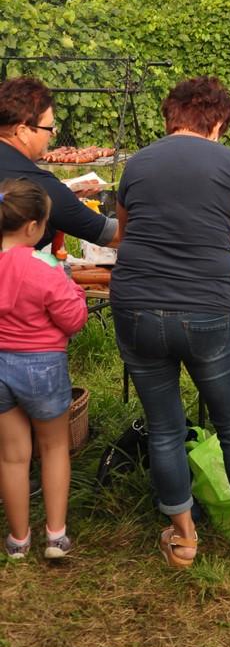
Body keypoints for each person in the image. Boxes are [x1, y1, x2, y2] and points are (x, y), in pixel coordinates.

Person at [110, 76, 230, 572]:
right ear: (217, 123)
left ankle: (183, 539)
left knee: (165, 428)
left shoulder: (136, 164)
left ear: (171, 118)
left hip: (136, 307)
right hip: (208, 309)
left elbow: (125, 238)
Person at [0, 179, 88, 559]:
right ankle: (55, 537)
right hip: (42, 366)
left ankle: (18, 540)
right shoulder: (46, 267)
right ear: (33, 226)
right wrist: (74, 288)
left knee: (11, 455)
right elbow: (73, 320)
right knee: (53, 448)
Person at [0, 77, 118, 251]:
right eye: (49, 128)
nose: (53, 134)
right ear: (22, 132)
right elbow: (110, 234)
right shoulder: (36, 183)